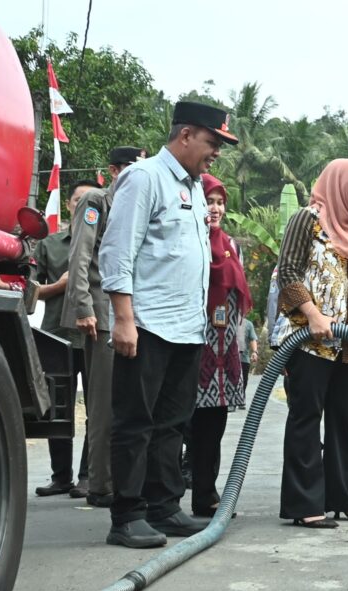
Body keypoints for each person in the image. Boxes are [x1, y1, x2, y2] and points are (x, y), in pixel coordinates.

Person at [99, 102, 234, 548]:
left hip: (186, 328)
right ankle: (128, 515)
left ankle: (164, 507)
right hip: (148, 325)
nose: (215, 152)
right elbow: (118, 251)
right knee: (135, 422)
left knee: (172, 424)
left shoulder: (194, 188)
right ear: (186, 135)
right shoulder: (143, 178)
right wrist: (123, 319)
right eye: (212, 142)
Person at [275, 158, 348, 528]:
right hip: (310, 339)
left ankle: (342, 497)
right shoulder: (308, 219)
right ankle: (305, 504)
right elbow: (288, 271)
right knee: (306, 416)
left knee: (343, 418)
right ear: (347, 187)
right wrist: (312, 313)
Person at [63, 145, 146, 508]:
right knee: (102, 403)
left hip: (127, 312)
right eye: (129, 168)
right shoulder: (96, 201)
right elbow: (80, 254)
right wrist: (82, 305)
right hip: (98, 309)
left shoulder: (137, 204)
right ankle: (99, 483)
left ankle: (118, 480)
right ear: (114, 171)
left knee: (126, 402)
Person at [184, 174, 252, 517]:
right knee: (186, 425)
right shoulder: (189, 239)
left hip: (224, 352)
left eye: (219, 202)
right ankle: (173, 494)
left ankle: (206, 494)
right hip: (194, 346)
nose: (215, 208)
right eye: (209, 201)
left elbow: (237, 299)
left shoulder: (230, 245)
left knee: (214, 426)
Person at [30, 179, 100, 499]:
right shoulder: (50, 245)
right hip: (57, 336)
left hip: (95, 336)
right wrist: (60, 286)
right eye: (78, 200)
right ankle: (61, 477)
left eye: (91, 200)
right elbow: (29, 292)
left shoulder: (106, 244)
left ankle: (88, 476)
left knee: (96, 410)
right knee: (58, 410)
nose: (84, 205)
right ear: (70, 206)